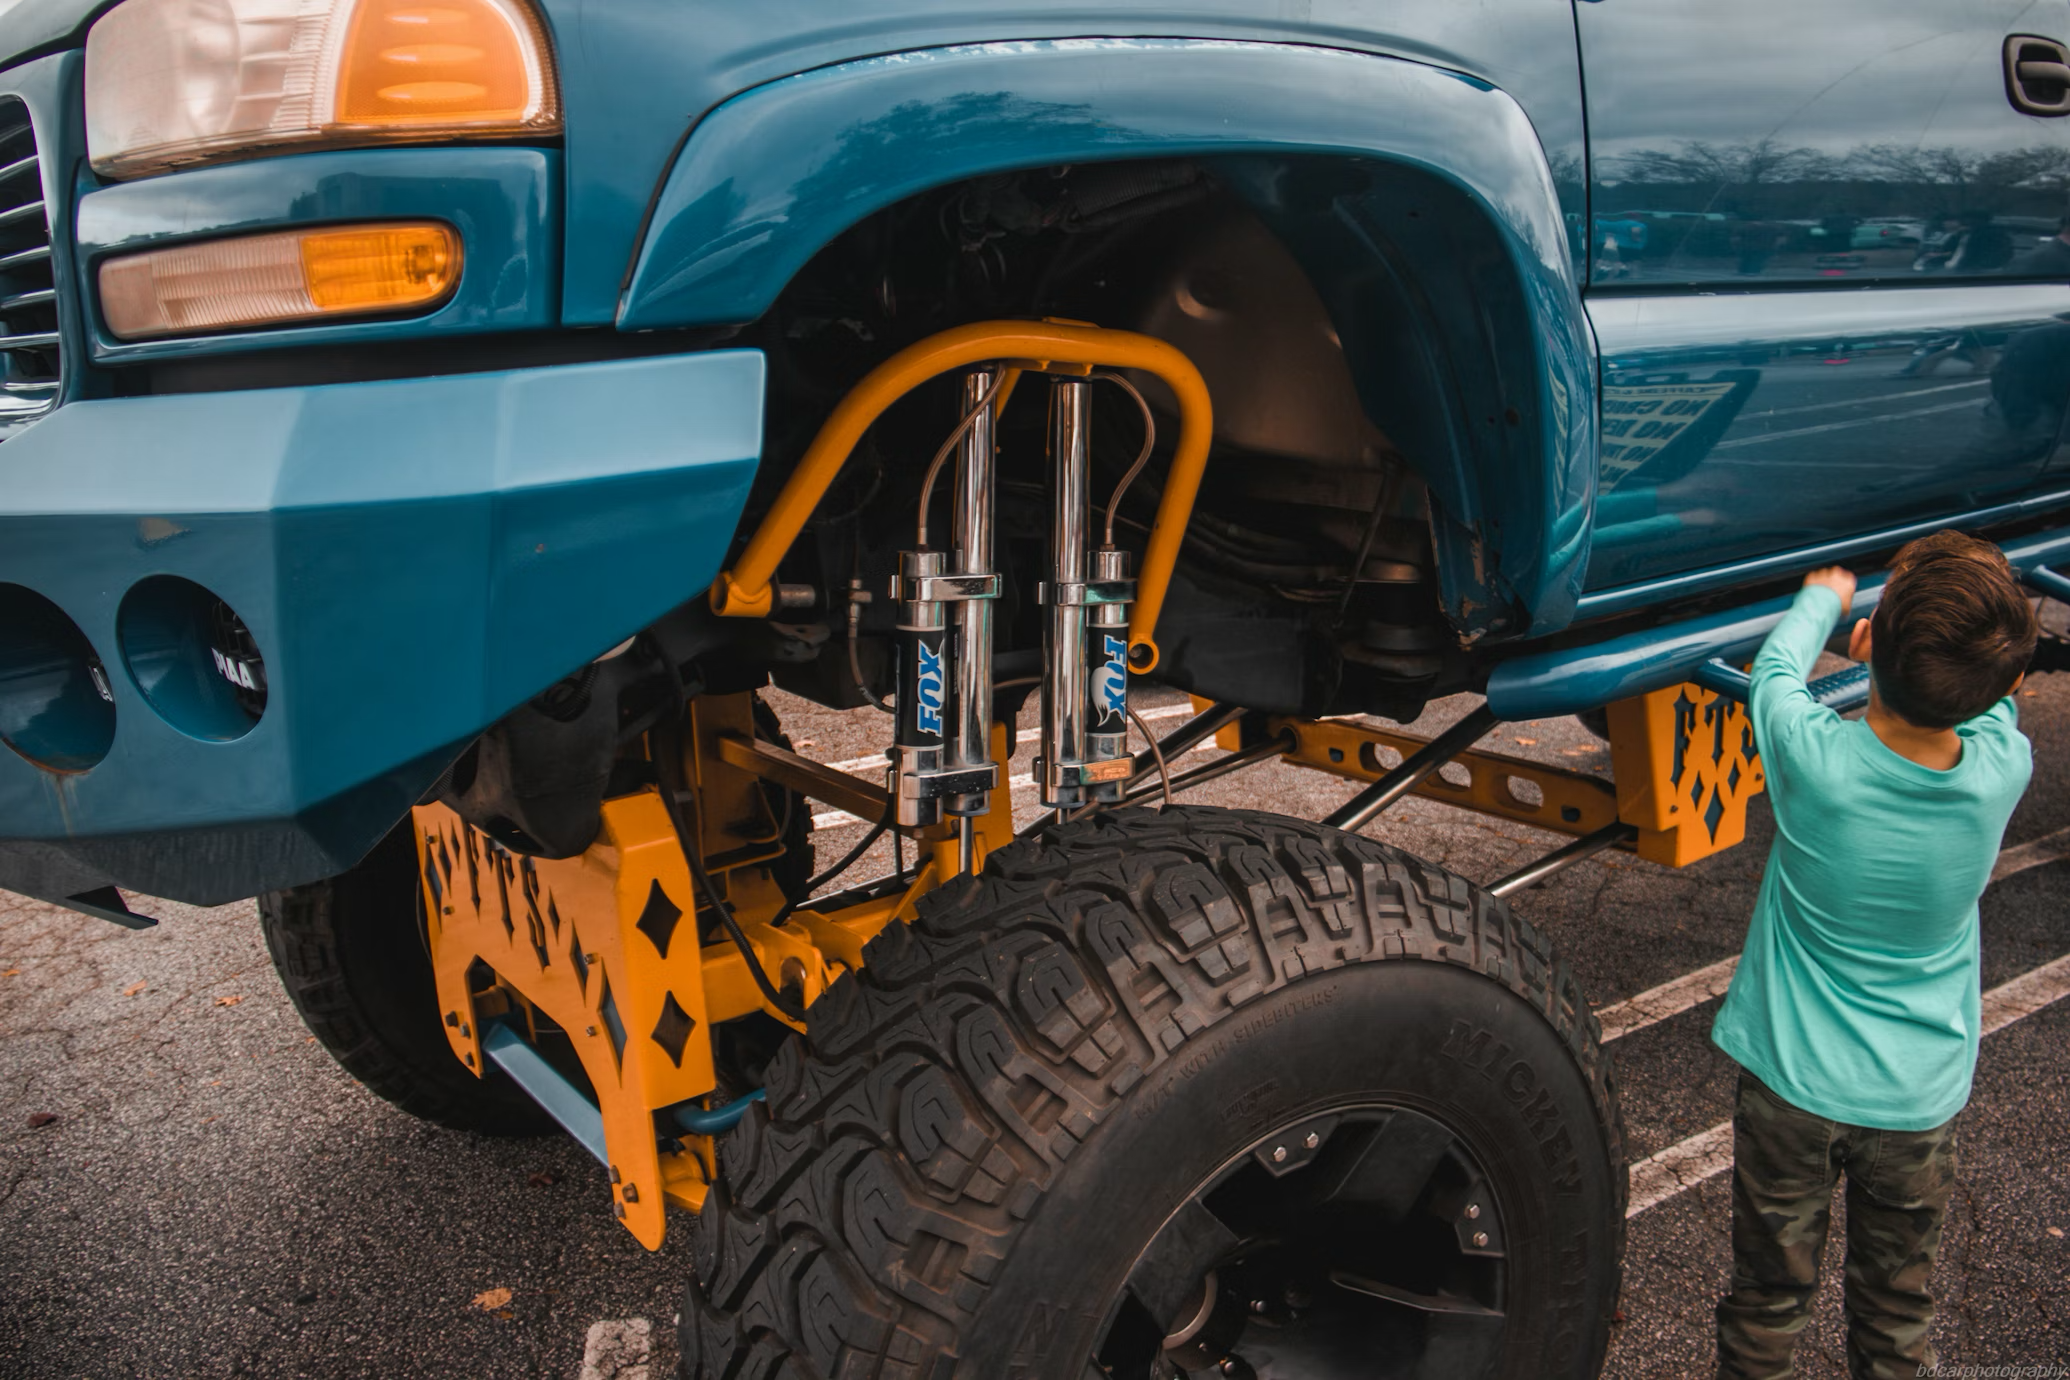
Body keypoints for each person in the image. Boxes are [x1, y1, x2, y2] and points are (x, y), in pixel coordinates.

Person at [1711, 532, 2038, 1380]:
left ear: (1868, 646)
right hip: (1915, 1103)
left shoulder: (1816, 760)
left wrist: (1826, 598)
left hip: (1791, 1088)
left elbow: (1777, 671)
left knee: (1767, 1303)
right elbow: (1995, 696)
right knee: (1897, 1316)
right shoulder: (2004, 767)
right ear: (2005, 688)